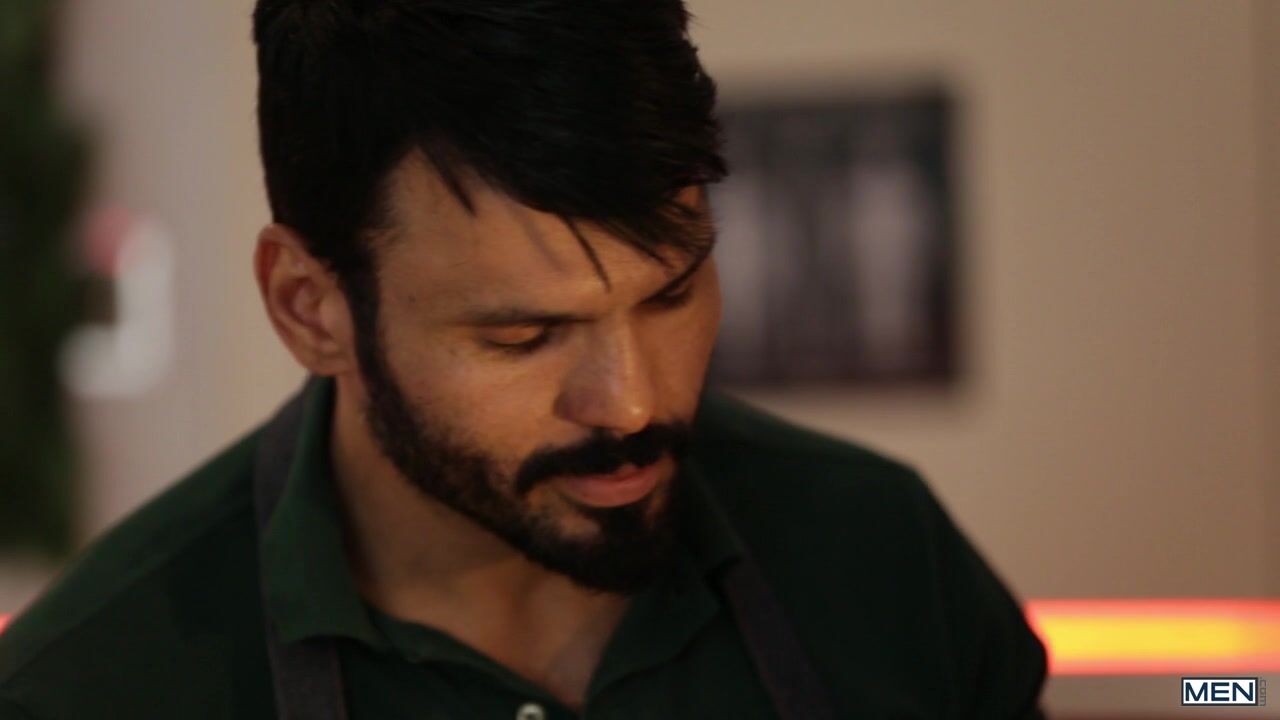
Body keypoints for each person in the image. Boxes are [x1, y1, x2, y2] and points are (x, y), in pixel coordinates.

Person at [0, 1, 1047, 717]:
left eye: (671, 294)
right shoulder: (93, 686)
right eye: (522, 336)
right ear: (309, 308)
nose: (630, 403)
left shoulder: (881, 558)